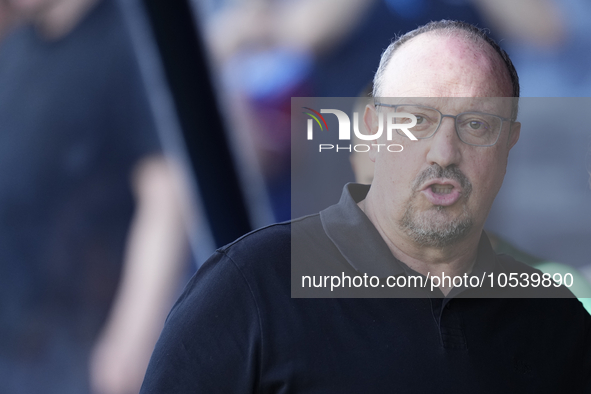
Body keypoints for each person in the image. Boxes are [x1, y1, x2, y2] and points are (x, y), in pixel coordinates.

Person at [140, 21, 591, 392]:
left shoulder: (555, 317)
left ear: (508, 145)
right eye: (417, 120)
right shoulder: (251, 286)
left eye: (476, 124)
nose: (443, 153)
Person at [0, 0, 190, 393]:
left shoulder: (132, 35)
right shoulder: (18, 47)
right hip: (19, 340)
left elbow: (167, 195)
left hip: (81, 351)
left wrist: (131, 341)